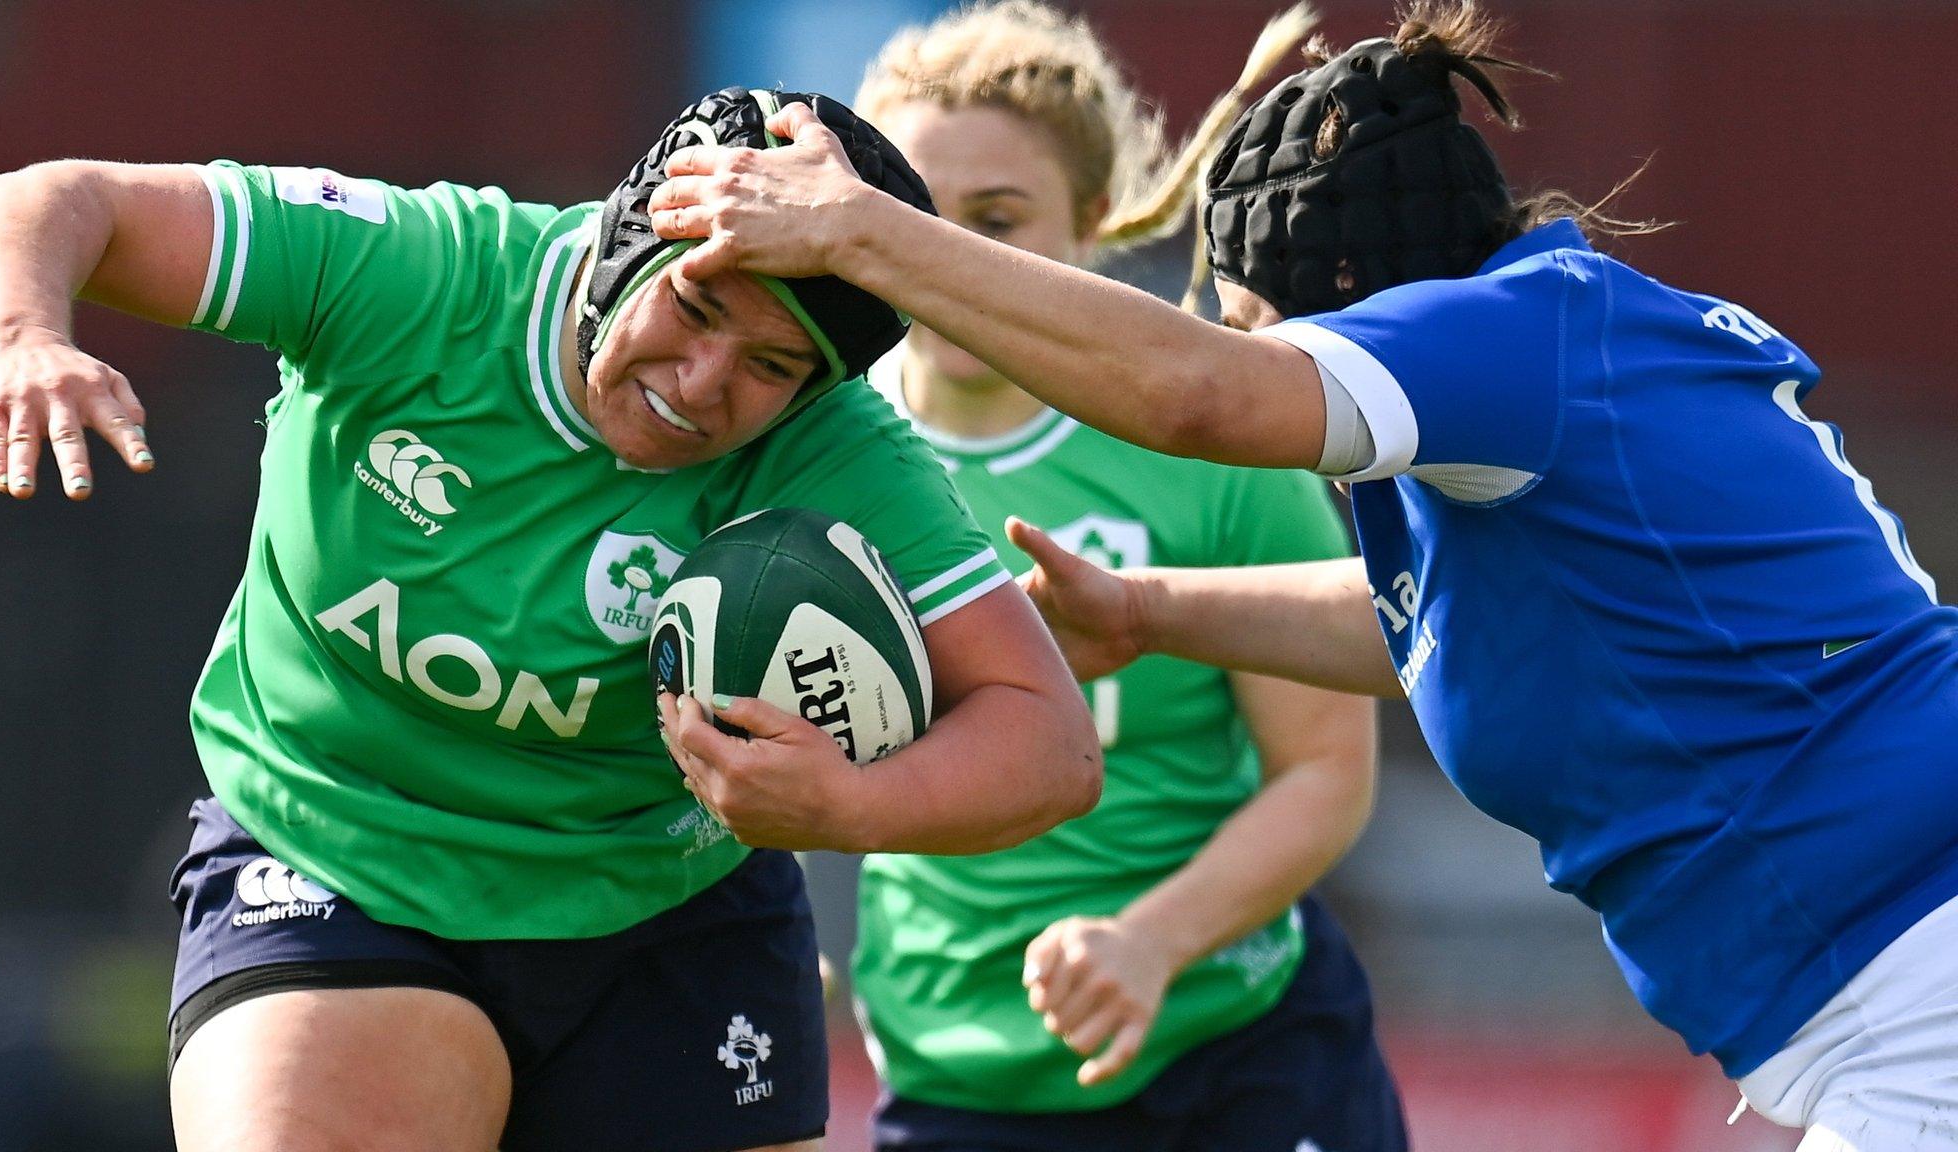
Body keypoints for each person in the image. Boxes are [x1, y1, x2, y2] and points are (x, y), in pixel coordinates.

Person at [644, 4, 1958, 1149]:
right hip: (1886, 976)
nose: (1252, 365)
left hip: (1917, 973)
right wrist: (1153, 614)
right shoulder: (1539, 395)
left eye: (1261, 330)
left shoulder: (1503, 335)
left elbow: (1200, 397)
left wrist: (861, 231)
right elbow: (1428, 635)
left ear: (1347, 302)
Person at [0, 87, 1101, 1152]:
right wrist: (21, 338)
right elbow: (49, 201)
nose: (701, 381)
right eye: (693, 305)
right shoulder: (420, 271)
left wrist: (848, 805)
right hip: (340, 859)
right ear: (622, 233)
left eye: (768, 364)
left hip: (667, 912)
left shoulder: (841, 451)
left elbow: (1046, 741)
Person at [844, 5, 1407, 1150]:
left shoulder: (1210, 435)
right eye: (918, 220)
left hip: (1235, 1045)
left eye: (994, 221)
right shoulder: (811, 453)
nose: (950, 260)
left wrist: (1150, 939)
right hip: (962, 1069)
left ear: (1091, 223)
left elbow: (1324, 772)